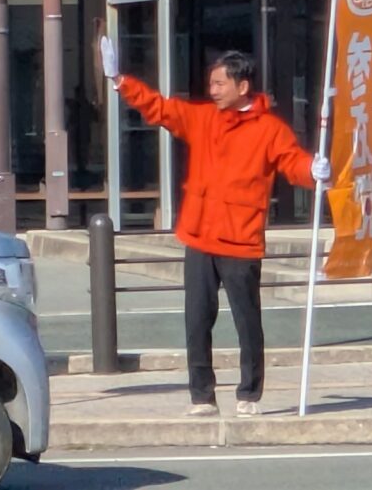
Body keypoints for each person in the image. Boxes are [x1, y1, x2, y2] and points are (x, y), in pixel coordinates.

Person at [99, 37, 330, 418]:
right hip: (200, 235)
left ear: (243, 86)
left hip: (240, 238)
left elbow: (293, 163)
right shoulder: (204, 118)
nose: (213, 90)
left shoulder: (269, 129)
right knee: (196, 320)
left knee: (247, 321)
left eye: (220, 83)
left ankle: (249, 392)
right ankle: (201, 395)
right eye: (212, 83)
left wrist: (313, 170)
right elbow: (160, 109)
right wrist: (121, 81)